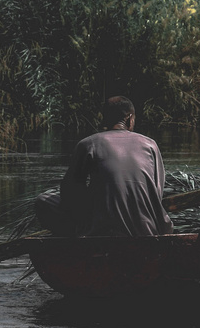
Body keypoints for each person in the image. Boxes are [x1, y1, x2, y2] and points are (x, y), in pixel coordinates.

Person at [35, 96, 173, 237]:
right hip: (147, 231)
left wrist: (91, 200)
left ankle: (77, 243)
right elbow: (157, 193)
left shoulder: (88, 144)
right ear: (130, 118)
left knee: (43, 200)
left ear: (105, 118)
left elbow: (69, 191)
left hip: (102, 231)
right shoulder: (150, 145)